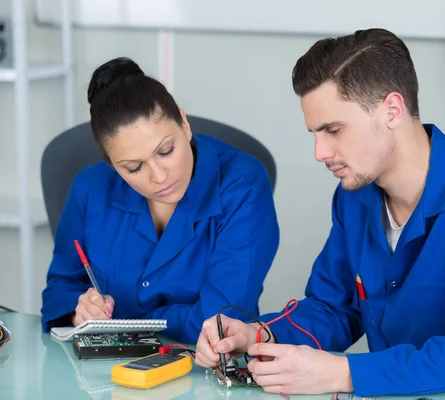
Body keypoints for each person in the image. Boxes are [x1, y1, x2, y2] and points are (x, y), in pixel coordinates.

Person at [195, 28, 445, 399]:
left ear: (392, 110)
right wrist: (257, 333)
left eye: (333, 130)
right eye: (314, 133)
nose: (320, 152)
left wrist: (342, 372)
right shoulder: (355, 197)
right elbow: (334, 308)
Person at [40, 57, 280, 344]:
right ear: (112, 164)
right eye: (133, 167)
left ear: (184, 123)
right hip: (102, 373)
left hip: (206, 367)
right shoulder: (90, 188)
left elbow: (220, 318)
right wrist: (79, 310)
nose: (158, 176)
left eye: (165, 150)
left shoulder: (243, 184)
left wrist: (121, 324)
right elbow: (59, 290)